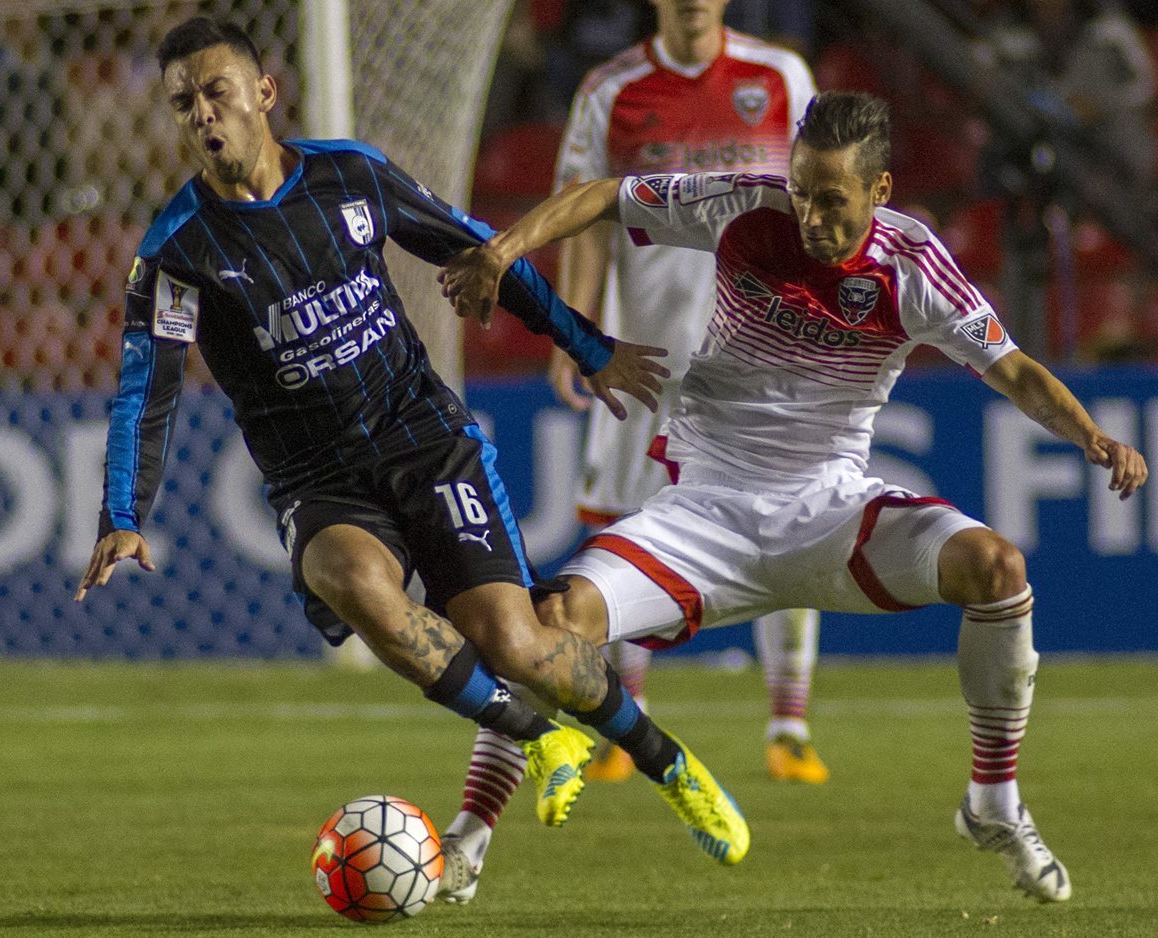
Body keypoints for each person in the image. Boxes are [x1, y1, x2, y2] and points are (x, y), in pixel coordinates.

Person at [72, 15, 751, 890]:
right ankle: (539, 740)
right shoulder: (177, 253)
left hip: (426, 440)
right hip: (317, 480)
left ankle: (670, 766)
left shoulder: (349, 175)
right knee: (353, 582)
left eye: (217, 92)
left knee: (520, 645)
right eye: (183, 103)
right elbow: (144, 393)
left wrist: (587, 345)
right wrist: (122, 515)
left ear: (263, 93)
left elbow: (477, 246)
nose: (204, 114)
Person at [440, 90, 1149, 903]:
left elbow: (1013, 368)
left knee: (997, 567)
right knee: (547, 627)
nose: (809, 214)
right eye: (803, 190)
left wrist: (1091, 436)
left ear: (879, 193)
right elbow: (605, 195)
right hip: (703, 516)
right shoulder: (748, 205)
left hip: (831, 516)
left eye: (832, 200)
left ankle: (993, 800)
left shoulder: (914, 268)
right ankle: (469, 838)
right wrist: (500, 251)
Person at [545, 0, 826, 788]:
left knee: (792, 526)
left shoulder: (779, 76)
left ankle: (789, 725)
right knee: (626, 530)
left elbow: (822, 202)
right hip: (647, 357)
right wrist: (577, 332)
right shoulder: (611, 89)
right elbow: (589, 216)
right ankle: (618, 730)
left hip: (763, 355)